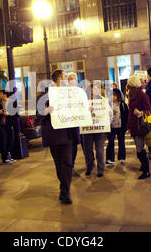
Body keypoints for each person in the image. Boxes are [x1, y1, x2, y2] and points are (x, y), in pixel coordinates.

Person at [37, 69, 75, 204]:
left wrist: (86, 110)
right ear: (59, 79)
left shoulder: (69, 94)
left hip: (67, 133)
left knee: (68, 163)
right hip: (53, 134)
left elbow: (77, 107)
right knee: (59, 164)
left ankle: (65, 192)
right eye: (65, 77)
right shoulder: (45, 95)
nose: (66, 80)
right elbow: (39, 113)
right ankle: (64, 189)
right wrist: (47, 110)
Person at [127, 75, 151, 179]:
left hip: (139, 125)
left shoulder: (142, 95)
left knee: (140, 149)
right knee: (139, 148)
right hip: (134, 124)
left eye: (129, 85)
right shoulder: (132, 94)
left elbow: (148, 110)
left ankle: (146, 170)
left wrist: (140, 113)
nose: (127, 87)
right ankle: (143, 166)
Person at [82, 82, 109, 177]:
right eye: (94, 88)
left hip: (100, 129)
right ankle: (89, 166)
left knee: (99, 150)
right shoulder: (85, 101)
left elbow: (109, 112)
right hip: (87, 129)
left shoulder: (104, 101)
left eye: (98, 88)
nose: (96, 90)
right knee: (87, 150)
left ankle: (100, 169)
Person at [106, 88, 129, 165]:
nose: (113, 97)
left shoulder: (123, 104)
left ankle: (121, 157)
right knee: (110, 142)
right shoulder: (107, 104)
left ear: (118, 96)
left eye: (115, 95)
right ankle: (110, 158)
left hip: (121, 127)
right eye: (111, 95)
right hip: (111, 127)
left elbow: (126, 115)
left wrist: (126, 126)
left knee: (121, 142)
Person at [0, 90, 17, 164]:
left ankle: (10, 156)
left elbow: (16, 114)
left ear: (4, 95)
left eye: (0, 94)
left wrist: (9, 114)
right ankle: (4, 158)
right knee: (3, 140)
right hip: (1, 125)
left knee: (10, 140)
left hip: (9, 124)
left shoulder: (11, 103)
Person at [67, 72, 81, 171]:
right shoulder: (64, 92)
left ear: (76, 81)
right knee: (68, 143)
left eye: (72, 78)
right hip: (66, 122)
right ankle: (69, 163)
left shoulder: (80, 92)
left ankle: (72, 162)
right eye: (69, 79)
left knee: (75, 144)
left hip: (76, 122)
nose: (70, 80)